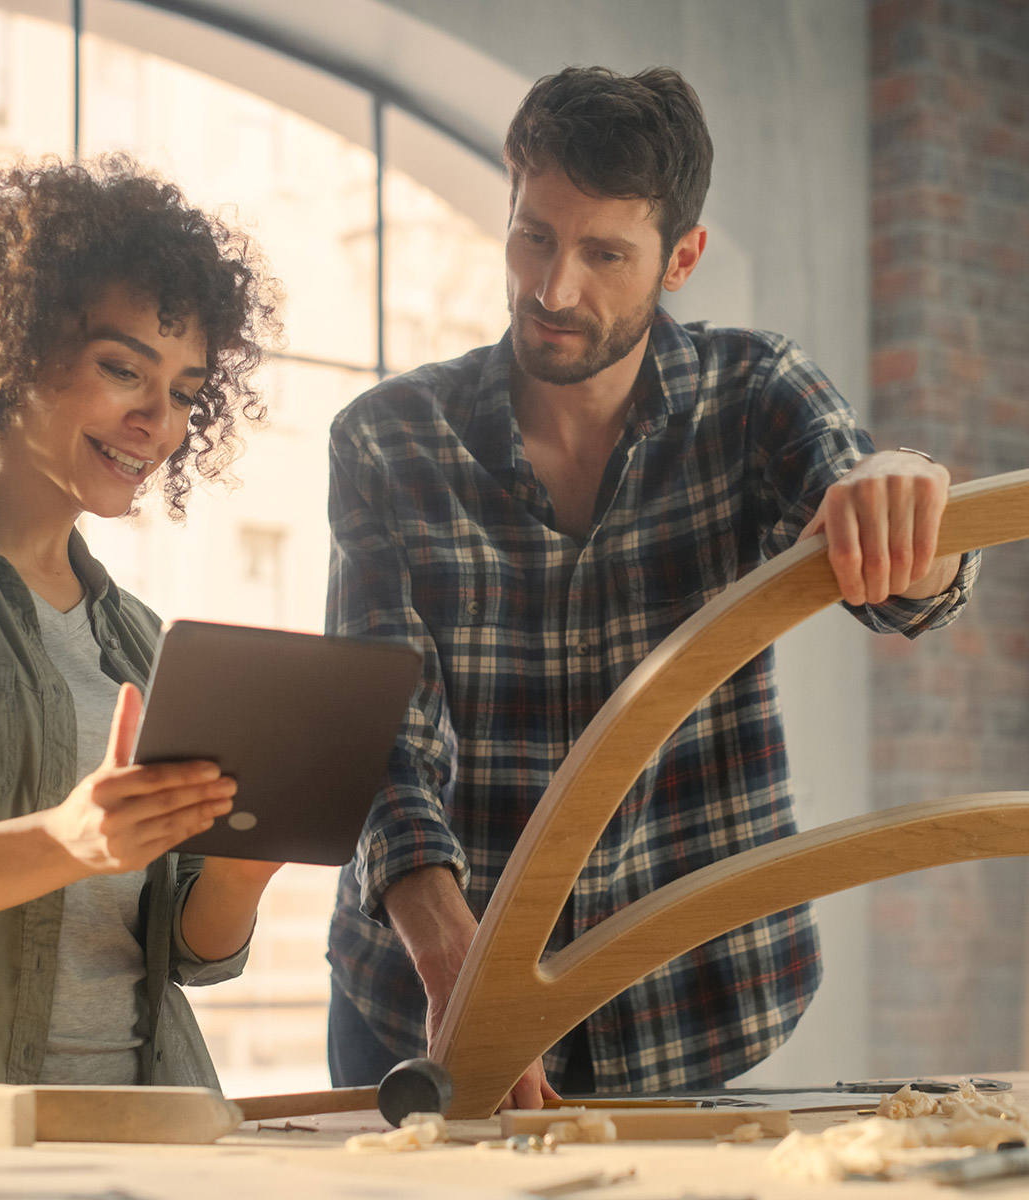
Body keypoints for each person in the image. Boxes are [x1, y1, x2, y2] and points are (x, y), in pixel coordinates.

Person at [324, 66, 977, 1106]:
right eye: (533, 235)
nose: (553, 289)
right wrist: (467, 983)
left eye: (604, 253)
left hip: (691, 1000)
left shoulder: (759, 390)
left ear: (683, 258)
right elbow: (383, 744)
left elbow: (904, 589)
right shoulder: (388, 438)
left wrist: (907, 498)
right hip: (424, 989)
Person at [0, 156, 284, 1098]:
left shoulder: (141, 640)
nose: (158, 423)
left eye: (188, 391)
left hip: (147, 1117)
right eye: (124, 369)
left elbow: (185, 957)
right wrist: (64, 841)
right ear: (17, 345)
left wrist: (241, 877)